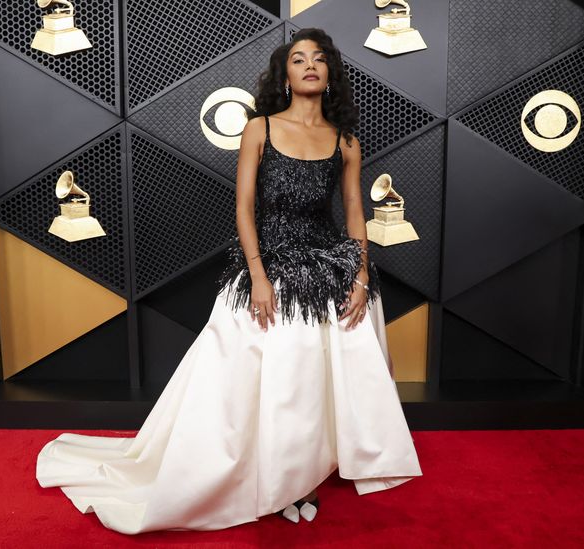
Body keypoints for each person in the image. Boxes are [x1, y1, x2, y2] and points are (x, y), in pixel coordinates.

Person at [35, 27, 422, 535]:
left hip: (330, 264)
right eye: (298, 58)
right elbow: (243, 210)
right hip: (271, 266)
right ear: (285, 74)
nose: (309, 65)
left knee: (316, 384)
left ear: (329, 74)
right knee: (278, 381)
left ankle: (304, 475)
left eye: (319, 59)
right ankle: (275, 478)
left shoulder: (345, 140)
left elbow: (354, 209)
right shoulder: (259, 128)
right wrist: (258, 277)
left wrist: (361, 273)